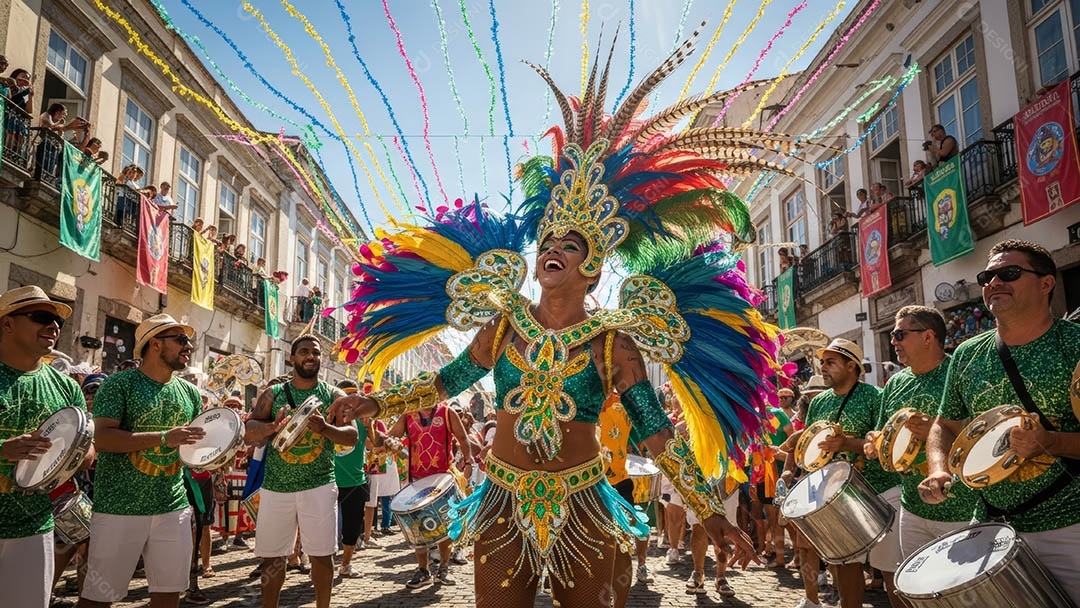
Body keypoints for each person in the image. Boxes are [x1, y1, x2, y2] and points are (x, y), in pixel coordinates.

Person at [327, 31, 778, 606]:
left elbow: (656, 430)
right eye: (548, 242)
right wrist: (375, 404)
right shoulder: (504, 324)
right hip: (502, 498)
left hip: (584, 501)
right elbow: (445, 382)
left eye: (569, 245)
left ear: (592, 269)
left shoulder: (613, 342)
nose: (552, 250)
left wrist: (708, 510)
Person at [920, 240, 1080, 603]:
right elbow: (944, 424)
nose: (994, 283)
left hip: (1070, 525)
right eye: (986, 277)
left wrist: (1050, 442)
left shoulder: (1075, 346)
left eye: (1009, 273)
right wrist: (938, 469)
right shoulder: (966, 354)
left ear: (1046, 283)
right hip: (991, 525)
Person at [78, 314, 204, 608]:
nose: (189, 346)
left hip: (172, 506)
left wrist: (214, 453)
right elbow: (103, 439)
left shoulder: (190, 392)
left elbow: (192, 447)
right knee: (98, 599)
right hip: (119, 508)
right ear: (155, 343)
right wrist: (164, 437)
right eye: (181, 339)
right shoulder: (119, 384)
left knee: (169, 595)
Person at [864, 306, 975, 607]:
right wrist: (875, 443)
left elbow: (981, 434)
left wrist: (938, 432)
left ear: (928, 336)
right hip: (911, 507)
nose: (893, 342)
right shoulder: (895, 383)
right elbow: (882, 434)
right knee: (916, 593)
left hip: (962, 508)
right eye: (891, 335)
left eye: (900, 334)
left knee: (960, 596)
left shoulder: (959, 373)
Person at [243, 335, 356, 608]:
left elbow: (352, 436)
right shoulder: (273, 394)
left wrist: (325, 429)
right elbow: (249, 432)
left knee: (322, 555)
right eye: (304, 352)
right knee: (272, 558)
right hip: (276, 487)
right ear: (292, 358)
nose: (310, 357)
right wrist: (271, 428)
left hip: (319, 485)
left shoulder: (334, 396)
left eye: (315, 353)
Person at [782, 338, 892, 608]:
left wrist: (847, 444)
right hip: (835, 494)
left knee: (889, 565)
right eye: (822, 363)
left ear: (851, 366)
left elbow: (885, 444)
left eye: (830, 362)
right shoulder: (819, 402)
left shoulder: (876, 397)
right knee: (844, 563)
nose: (823, 368)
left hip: (879, 488)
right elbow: (811, 448)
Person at [0, 286, 89, 608]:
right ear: (7, 324)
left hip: (34, 527)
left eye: (58, 322)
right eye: (41, 317)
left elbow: (88, 451)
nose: (53, 326)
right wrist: (3, 450)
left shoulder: (66, 387)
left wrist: (71, 454)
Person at [384, 399, 473, 587]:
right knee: (417, 527)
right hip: (417, 480)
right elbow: (389, 436)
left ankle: (443, 568)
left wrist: (468, 461)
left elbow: (462, 438)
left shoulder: (447, 412)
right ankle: (423, 570)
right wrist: (386, 440)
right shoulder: (408, 415)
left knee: (445, 524)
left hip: (443, 478)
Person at [332, 379, 374, 578]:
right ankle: (320, 564)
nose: (349, 402)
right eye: (345, 397)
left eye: (352, 397)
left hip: (355, 481)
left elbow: (373, 445)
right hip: (327, 480)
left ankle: (346, 564)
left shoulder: (362, 421)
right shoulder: (328, 418)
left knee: (352, 526)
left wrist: (370, 426)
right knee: (322, 527)